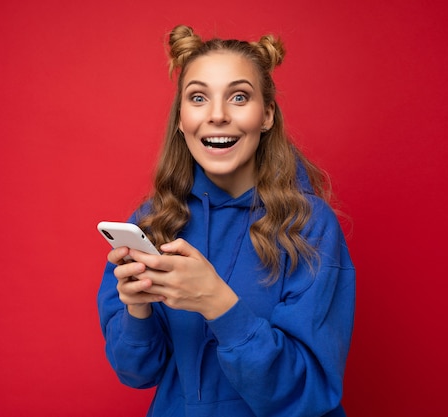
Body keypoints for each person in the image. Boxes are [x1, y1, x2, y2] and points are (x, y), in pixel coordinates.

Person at [97, 24, 355, 417]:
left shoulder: (309, 227)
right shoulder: (152, 221)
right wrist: (138, 309)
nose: (217, 116)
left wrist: (218, 303)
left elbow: (308, 392)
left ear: (266, 115)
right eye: (198, 98)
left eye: (238, 97)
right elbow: (136, 372)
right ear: (181, 119)